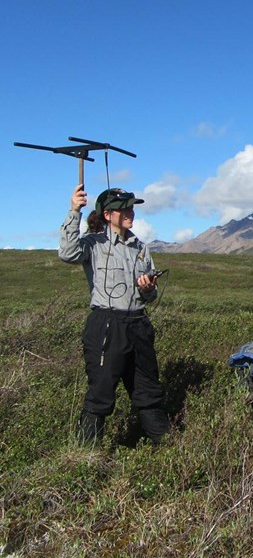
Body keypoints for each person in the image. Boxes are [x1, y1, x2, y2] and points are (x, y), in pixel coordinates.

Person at [59, 184, 169, 446]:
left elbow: (149, 297)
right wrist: (75, 210)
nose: (130, 212)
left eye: (131, 207)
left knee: (148, 389)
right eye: (123, 208)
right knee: (100, 392)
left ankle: (166, 448)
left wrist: (148, 288)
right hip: (106, 325)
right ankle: (85, 454)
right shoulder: (93, 243)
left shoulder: (140, 247)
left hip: (139, 324)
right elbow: (67, 253)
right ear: (108, 214)